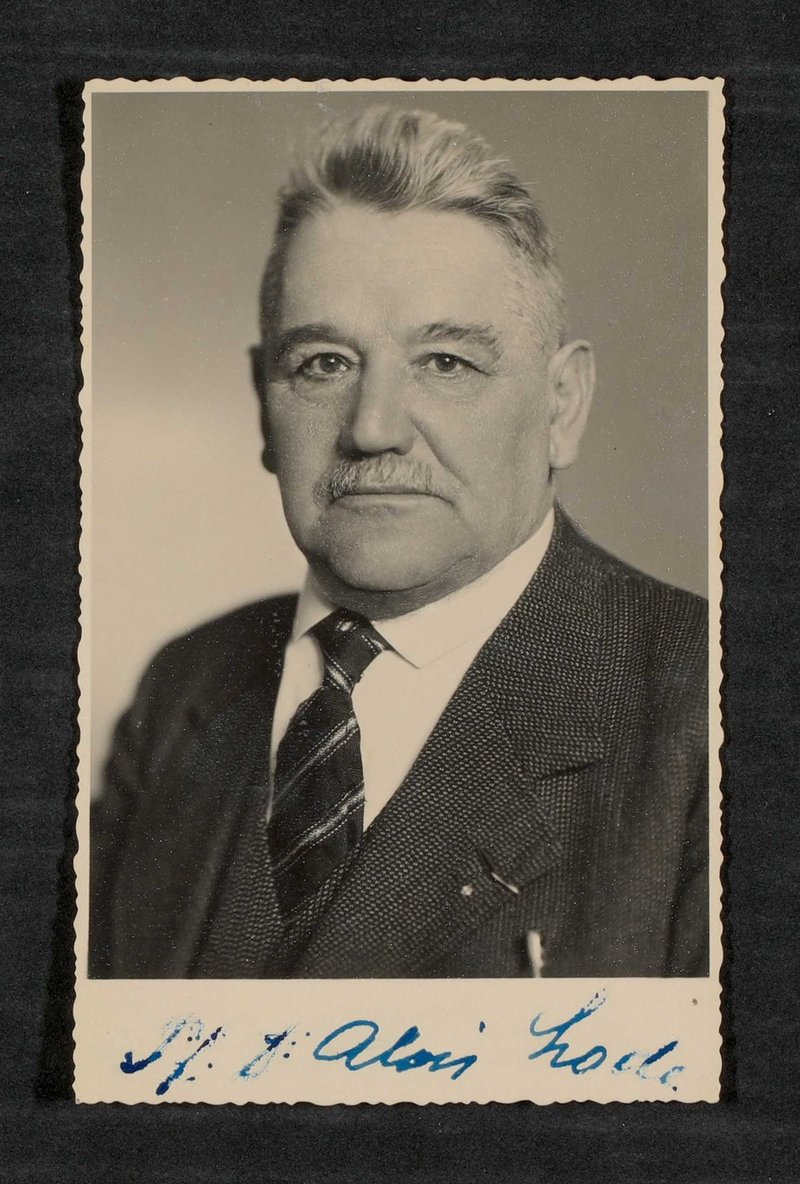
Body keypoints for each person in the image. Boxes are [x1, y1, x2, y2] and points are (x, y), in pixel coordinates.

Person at [90, 106, 708, 980]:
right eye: (324, 364)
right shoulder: (182, 688)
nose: (373, 428)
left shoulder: (710, 711)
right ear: (263, 403)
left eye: (445, 363)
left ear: (562, 406)